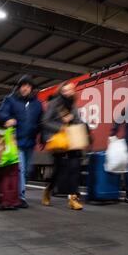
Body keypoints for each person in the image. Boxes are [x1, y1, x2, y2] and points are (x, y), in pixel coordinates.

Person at [41, 82, 88, 210]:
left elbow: (77, 121)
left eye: (71, 89)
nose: (69, 92)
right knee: (58, 171)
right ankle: (48, 190)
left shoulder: (73, 105)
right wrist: (60, 127)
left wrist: (82, 125)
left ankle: (73, 199)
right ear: (61, 91)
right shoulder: (54, 104)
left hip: (72, 141)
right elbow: (45, 122)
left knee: (74, 169)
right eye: (66, 90)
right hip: (60, 142)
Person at [0, 75, 43, 209]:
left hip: (30, 142)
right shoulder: (10, 100)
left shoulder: (37, 104)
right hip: (15, 141)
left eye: (28, 86)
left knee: (27, 170)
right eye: (23, 85)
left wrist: (44, 137)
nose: (25, 88)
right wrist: (7, 119)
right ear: (19, 87)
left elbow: (41, 121)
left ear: (31, 89)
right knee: (20, 170)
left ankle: (17, 193)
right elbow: (2, 113)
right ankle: (20, 197)